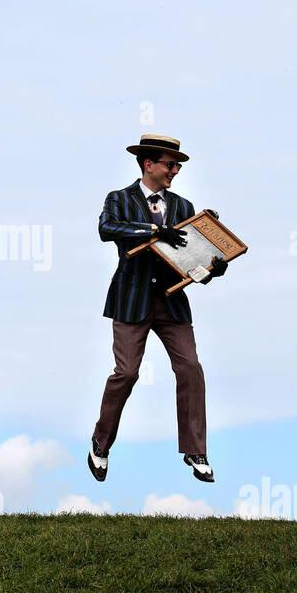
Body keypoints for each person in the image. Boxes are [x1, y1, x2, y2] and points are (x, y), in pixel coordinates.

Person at [90, 134, 227, 484]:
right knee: (127, 373)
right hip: (130, 299)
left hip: (172, 301)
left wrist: (213, 266)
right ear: (148, 164)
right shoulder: (119, 199)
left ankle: (196, 450)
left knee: (191, 368)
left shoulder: (184, 206)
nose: (175, 171)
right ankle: (100, 444)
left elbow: (192, 258)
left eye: (177, 165)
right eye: (170, 164)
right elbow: (107, 229)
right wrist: (154, 230)